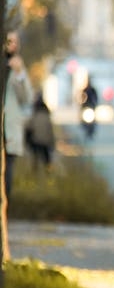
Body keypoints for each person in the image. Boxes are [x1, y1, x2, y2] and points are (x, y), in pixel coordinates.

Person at [3, 30, 34, 200]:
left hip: (10, 131)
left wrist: (19, 73)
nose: (12, 45)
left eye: (15, 41)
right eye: (9, 41)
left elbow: (27, 98)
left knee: (7, 179)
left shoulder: (18, 68)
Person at [26, 92, 55, 172]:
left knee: (35, 155)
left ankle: (35, 169)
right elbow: (50, 131)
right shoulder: (47, 117)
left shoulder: (34, 115)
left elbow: (29, 128)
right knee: (47, 156)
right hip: (45, 141)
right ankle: (48, 169)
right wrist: (52, 143)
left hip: (36, 140)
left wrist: (27, 141)